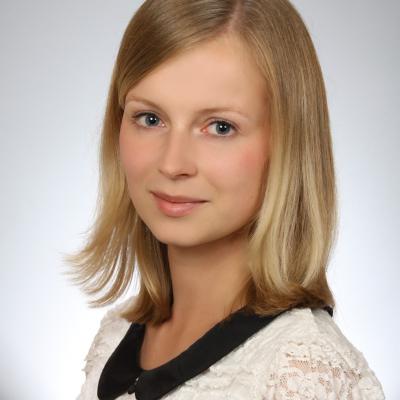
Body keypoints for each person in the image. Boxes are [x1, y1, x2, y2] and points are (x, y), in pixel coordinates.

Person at [64, 0, 386, 399]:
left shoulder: (299, 373)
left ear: (288, 144)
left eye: (220, 127)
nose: (172, 164)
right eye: (150, 119)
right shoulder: (116, 334)